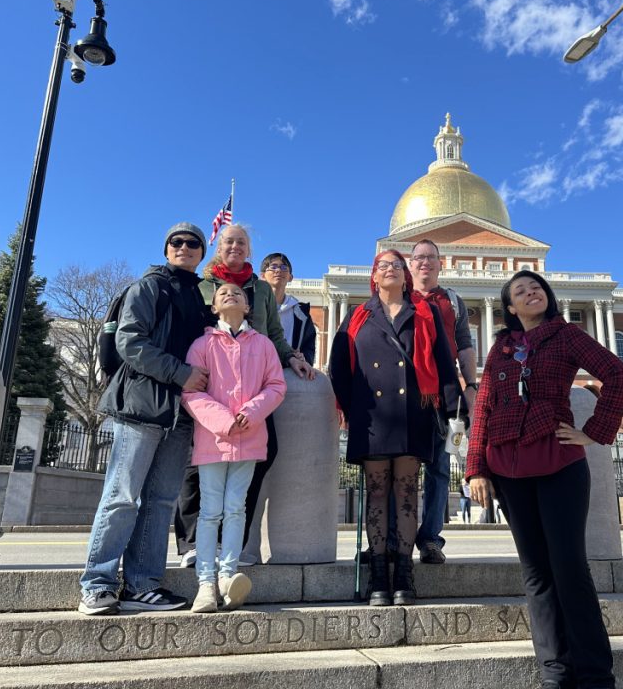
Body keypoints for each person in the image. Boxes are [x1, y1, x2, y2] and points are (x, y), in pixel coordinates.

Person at [467, 271, 623, 689]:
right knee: (536, 574)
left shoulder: (566, 335)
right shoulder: (501, 347)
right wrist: (475, 468)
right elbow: (483, 407)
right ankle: (554, 673)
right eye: (520, 291)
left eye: (536, 286)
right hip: (506, 469)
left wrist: (594, 431)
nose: (531, 292)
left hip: (558, 462)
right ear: (509, 307)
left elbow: (618, 376)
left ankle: (596, 675)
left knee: (569, 568)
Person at [78, 222, 210, 616]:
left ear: (202, 252)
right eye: (177, 242)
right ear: (167, 249)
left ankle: (142, 584)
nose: (184, 247)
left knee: (160, 501)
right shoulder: (149, 286)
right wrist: (180, 373)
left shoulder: (200, 297)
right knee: (122, 497)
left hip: (179, 414)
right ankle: (97, 584)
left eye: (193, 243)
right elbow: (130, 342)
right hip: (141, 406)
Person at [175, 224, 315, 567]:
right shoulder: (201, 285)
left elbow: (273, 335)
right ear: (218, 247)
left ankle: (232, 541)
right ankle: (193, 541)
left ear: (248, 249)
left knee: (261, 456)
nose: (235, 246)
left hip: (250, 388)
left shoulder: (261, 290)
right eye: (228, 241)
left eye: (241, 241)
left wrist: (292, 357)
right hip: (206, 383)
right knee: (196, 464)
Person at [329, 249, 459, 606]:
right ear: (374, 275)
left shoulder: (424, 312)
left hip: (412, 413)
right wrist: (350, 406)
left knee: (405, 493)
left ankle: (404, 573)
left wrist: (452, 413)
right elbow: (337, 364)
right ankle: (378, 576)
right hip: (372, 417)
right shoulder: (358, 315)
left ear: (406, 276)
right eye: (383, 266)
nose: (390, 270)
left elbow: (444, 363)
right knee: (376, 493)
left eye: (397, 266)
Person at [181, 283, 286, 612]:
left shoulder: (264, 345)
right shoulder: (201, 345)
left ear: (248, 307)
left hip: (250, 438)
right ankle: (206, 583)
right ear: (214, 307)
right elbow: (192, 393)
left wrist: (251, 413)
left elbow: (276, 385)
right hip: (213, 438)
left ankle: (228, 575)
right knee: (211, 511)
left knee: (237, 508)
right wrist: (225, 420)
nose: (231, 295)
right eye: (223, 293)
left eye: (238, 294)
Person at [408, 238, 478, 564]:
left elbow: (463, 344)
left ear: (440, 264)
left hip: (445, 394)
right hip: (404, 393)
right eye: (419, 257)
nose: (425, 262)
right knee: (401, 469)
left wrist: (472, 384)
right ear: (411, 265)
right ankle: (395, 538)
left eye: (431, 258)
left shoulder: (452, 300)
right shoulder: (399, 297)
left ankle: (431, 539)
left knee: (438, 468)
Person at [260, 252, 317, 365]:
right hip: (258, 368)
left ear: (290, 277)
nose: (278, 270)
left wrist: (303, 358)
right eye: (273, 267)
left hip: (289, 370)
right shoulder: (253, 307)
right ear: (262, 276)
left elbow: (309, 346)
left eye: (284, 267)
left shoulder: (301, 313)